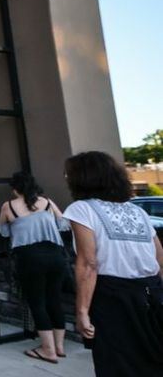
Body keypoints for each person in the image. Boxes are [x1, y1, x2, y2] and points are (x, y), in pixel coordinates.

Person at [62, 151, 163, 376]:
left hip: (112, 298)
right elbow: (160, 259)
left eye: (68, 174)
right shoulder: (137, 211)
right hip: (152, 293)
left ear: (84, 177)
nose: (66, 178)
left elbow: (88, 263)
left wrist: (82, 312)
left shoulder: (81, 209)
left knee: (117, 364)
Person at [0, 171, 68, 364]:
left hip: (30, 258)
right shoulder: (47, 202)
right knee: (54, 300)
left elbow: (3, 232)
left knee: (37, 302)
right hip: (56, 256)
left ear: (14, 188)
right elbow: (63, 224)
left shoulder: (8, 206)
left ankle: (48, 350)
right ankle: (59, 347)